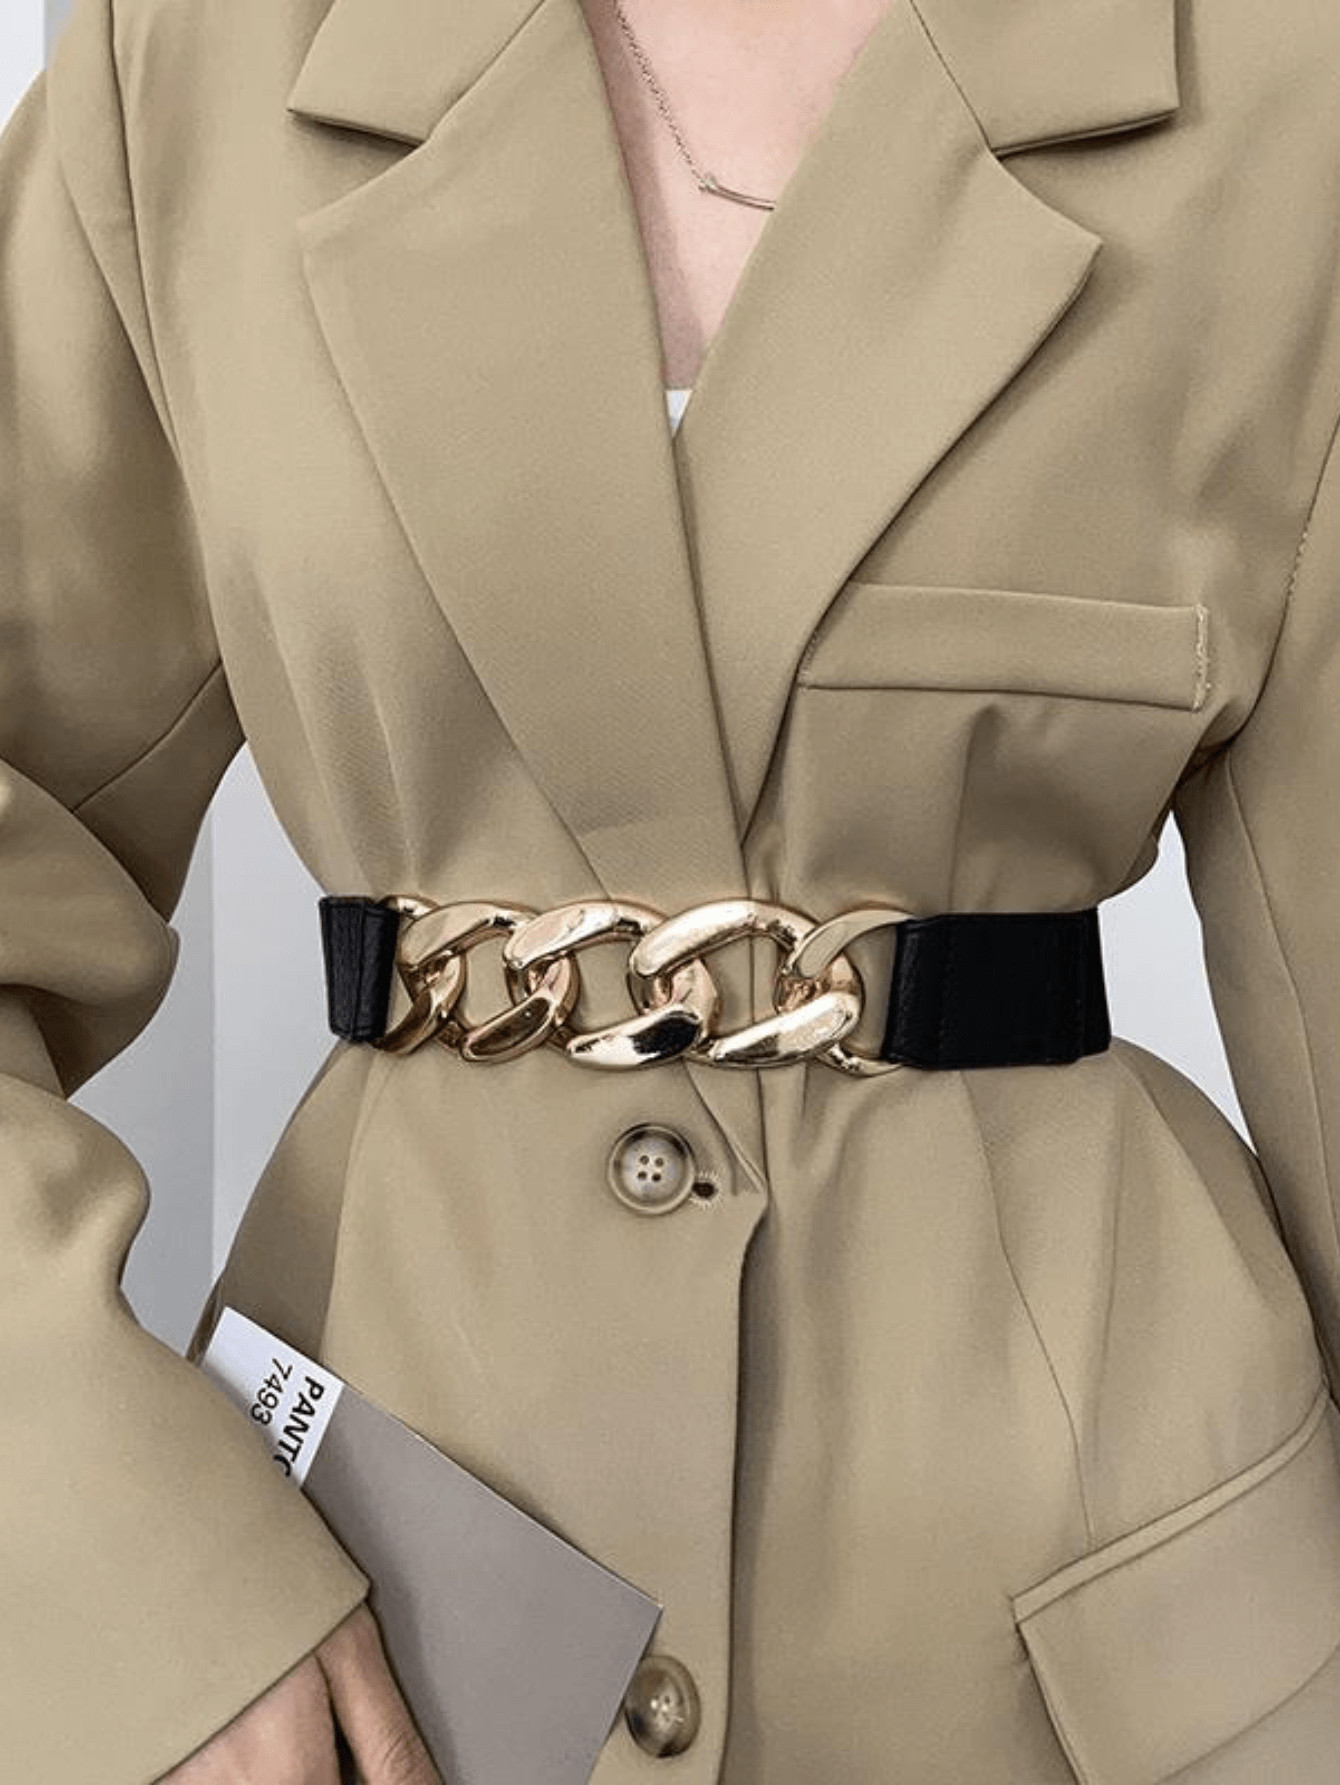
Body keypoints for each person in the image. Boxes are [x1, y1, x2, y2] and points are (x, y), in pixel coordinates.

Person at [8, 0, 1340, 1778]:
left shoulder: (1287, 90)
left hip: (1129, 1646)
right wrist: (124, 1554)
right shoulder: (194, 61)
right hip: (387, 1645)